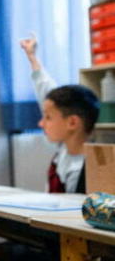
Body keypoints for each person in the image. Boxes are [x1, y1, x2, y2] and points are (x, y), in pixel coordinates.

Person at [21, 36, 98, 193]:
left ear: (72, 123)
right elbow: (47, 91)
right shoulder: (63, 153)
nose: (41, 124)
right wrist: (32, 58)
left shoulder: (93, 168)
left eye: (48, 118)